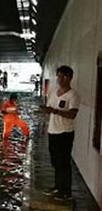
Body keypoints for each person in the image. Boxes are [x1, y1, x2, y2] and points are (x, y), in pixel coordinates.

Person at [40, 66, 80, 201]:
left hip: (65, 132)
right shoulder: (53, 92)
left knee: (64, 162)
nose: (60, 79)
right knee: (55, 162)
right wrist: (46, 110)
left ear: (70, 78)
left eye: (64, 77)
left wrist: (55, 111)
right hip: (53, 131)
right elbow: (50, 108)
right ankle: (57, 187)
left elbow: (73, 114)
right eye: (59, 76)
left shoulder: (72, 95)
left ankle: (66, 192)